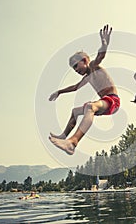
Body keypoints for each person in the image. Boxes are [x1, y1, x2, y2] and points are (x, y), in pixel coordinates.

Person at [48, 24, 120, 155]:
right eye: (74, 69)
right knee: (75, 111)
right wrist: (59, 92)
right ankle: (64, 136)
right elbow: (75, 87)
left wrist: (104, 45)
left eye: (76, 66)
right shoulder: (87, 77)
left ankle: (72, 143)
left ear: (85, 60)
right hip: (104, 102)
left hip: (112, 101)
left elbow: (100, 56)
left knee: (89, 107)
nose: (76, 70)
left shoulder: (93, 66)